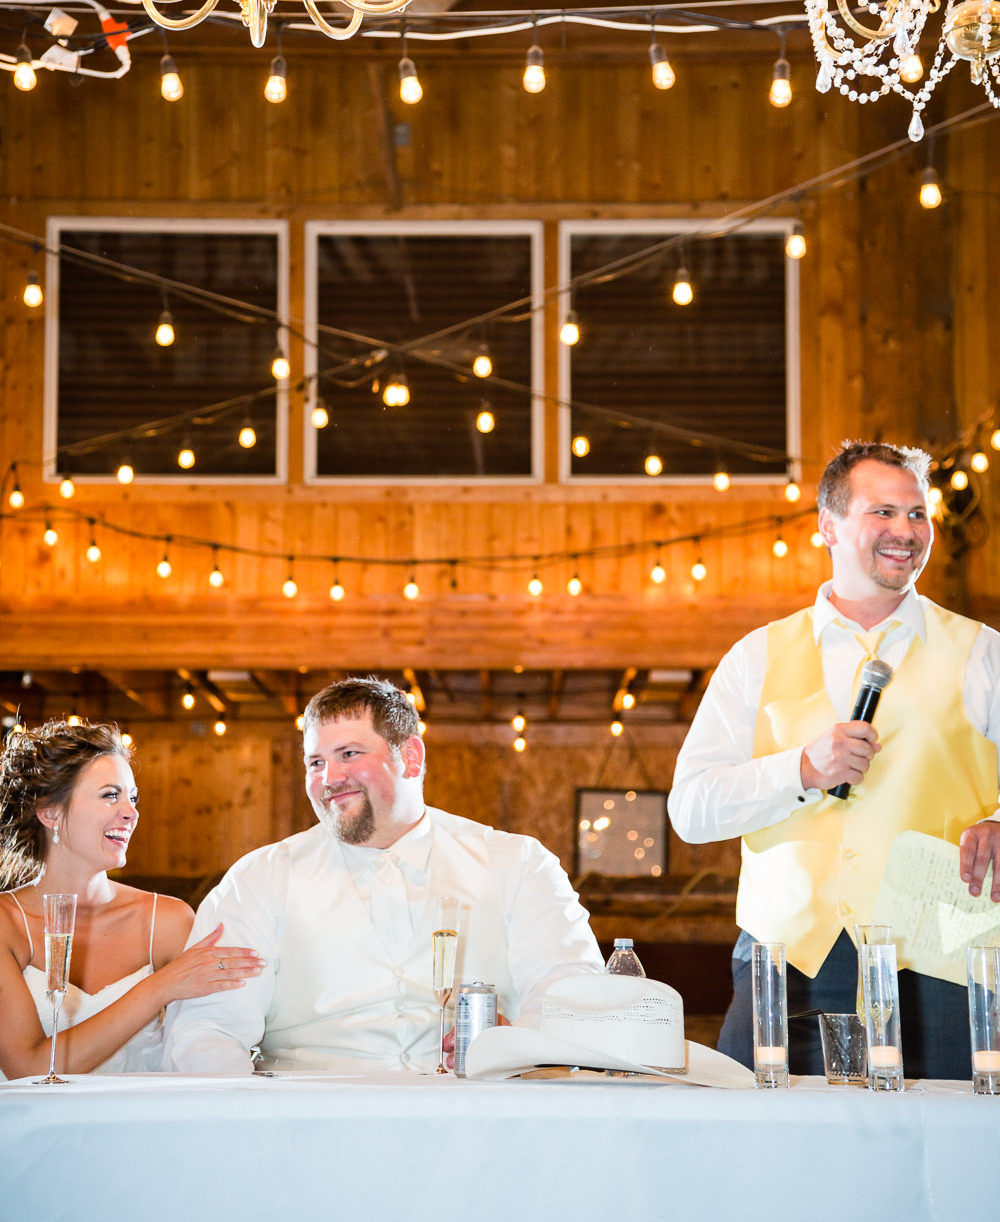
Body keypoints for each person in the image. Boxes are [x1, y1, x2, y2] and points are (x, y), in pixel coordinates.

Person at [668, 440, 1000, 1078]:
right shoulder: (756, 656)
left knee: (953, 1161)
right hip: (791, 967)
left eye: (917, 515)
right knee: (775, 1162)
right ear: (828, 524)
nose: (906, 531)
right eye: (883, 512)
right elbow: (690, 808)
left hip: (942, 963)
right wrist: (799, 772)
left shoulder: (981, 652)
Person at [163, 676, 604, 1074]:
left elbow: (569, 989)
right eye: (314, 763)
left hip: (478, 1119)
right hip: (307, 1127)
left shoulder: (519, 864)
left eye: (349, 754)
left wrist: (516, 1046)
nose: (329, 778)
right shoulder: (258, 880)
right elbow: (207, 1030)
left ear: (410, 757)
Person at [0, 719, 265, 1080]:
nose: (131, 812)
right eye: (111, 795)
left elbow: (214, 1033)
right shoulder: (7, 924)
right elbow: (27, 1069)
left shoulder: (168, 921)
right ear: (50, 813)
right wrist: (159, 987)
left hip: (143, 1127)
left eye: (133, 797)